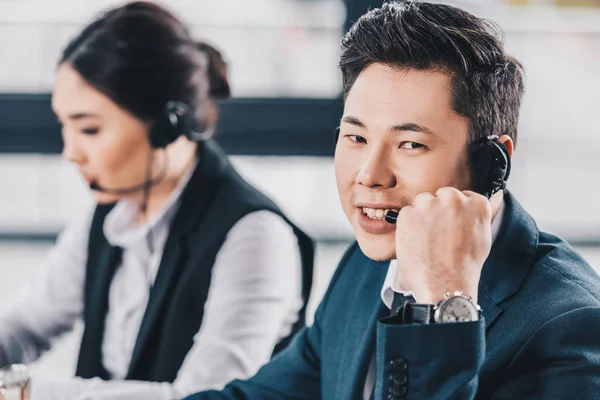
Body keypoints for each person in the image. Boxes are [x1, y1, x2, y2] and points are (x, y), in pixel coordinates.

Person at [183, 1, 600, 399]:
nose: (369, 174)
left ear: (493, 163)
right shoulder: (364, 270)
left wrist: (446, 305)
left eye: (410, 144)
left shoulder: (569, 325)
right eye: (356, 138)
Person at [0, 2, 314, 399]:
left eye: (89, 129)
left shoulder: (255, 236)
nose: (70, 152)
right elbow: (27, 324)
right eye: (65, 125)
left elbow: (204, 395)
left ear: (167, 125)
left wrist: (24, 393)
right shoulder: (111, 214)